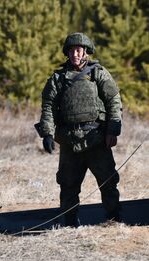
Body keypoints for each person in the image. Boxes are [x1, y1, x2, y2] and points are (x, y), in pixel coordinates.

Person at [36, 32, 122, 227]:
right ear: (67, 53)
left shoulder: (98, 73)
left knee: (108, 183)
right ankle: (69, 224)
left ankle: (114, 222)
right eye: (71, 50)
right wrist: (47, 133)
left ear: (85, 52)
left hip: (96, 139)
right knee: (67, 186)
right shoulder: (57, 79)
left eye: (78, 50)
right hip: (69, 142)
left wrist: (113, 131)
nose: (74, 53)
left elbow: (114, 102)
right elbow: (48, 106)